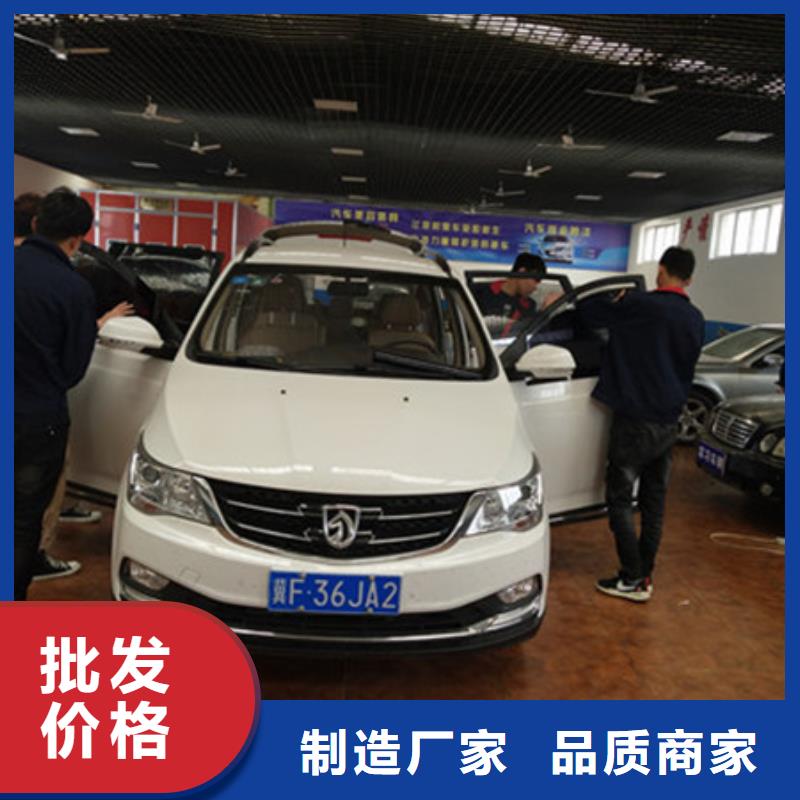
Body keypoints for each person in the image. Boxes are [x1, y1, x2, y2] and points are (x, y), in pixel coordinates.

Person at [579, 246, 705, 602]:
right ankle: (644, 574)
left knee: (619, 498)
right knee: (653, 502)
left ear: (660, 271)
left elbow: (588, 312)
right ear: (689, 279)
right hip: (669, 422)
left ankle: (632, 577)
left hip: (636, 420)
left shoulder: (641, 305)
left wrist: (617, 298)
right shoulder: (695, 318)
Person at [15, 188, 101, 599]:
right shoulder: (75, 290)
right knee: (22, 522)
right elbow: (72, 370)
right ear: (76, 240)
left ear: (35, 224)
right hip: (37, 423)